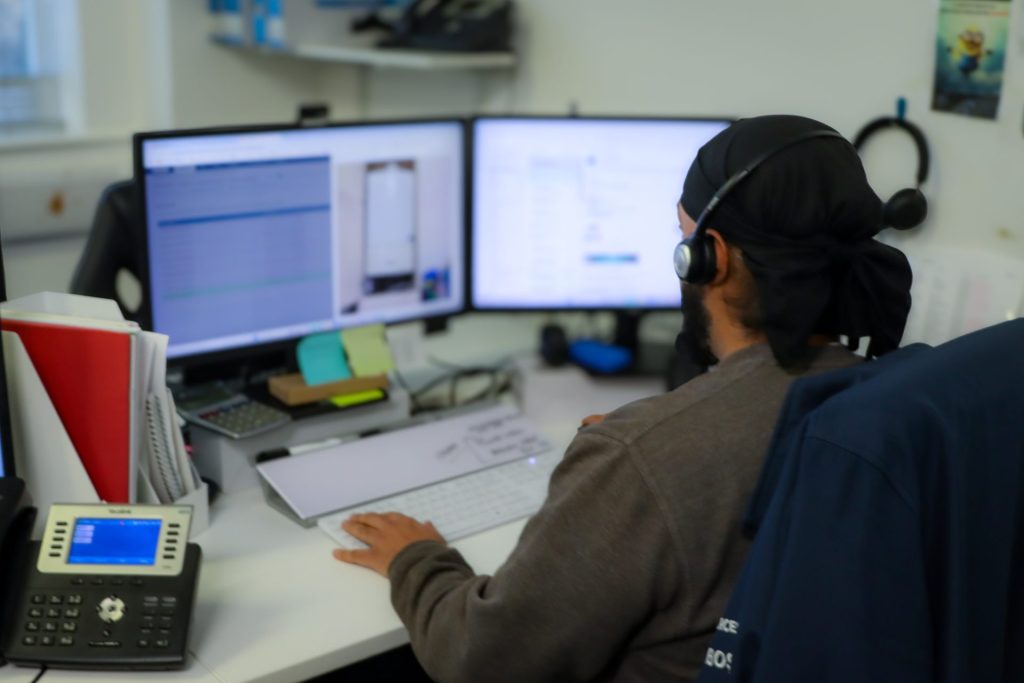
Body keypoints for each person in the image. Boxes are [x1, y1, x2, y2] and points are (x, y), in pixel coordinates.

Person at [330, 115, 915, 682]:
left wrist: (417, 559)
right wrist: (659, 442)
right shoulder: (895, 400)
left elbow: (478, 660)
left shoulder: (641, 458)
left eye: (681, 233)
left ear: (711, 256)